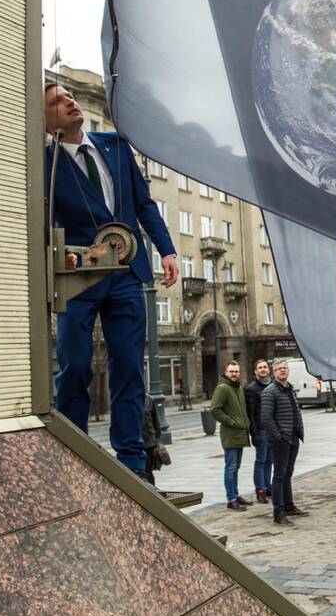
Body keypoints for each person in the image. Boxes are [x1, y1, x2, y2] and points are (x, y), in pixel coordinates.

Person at [44, 82, 178, 478]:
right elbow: (39, 216)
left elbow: (143, 205)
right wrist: (59, 253)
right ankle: (77, 456)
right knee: (75, 366)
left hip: (125, 275)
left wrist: (167, 250)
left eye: (68, 95)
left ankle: (133, 462)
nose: (68, 101)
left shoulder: (115, 147)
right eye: (56, 101)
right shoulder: (44, 164)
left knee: (129, 368)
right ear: (45, 118)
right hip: (77, 280)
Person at [261, 359, 308, 526]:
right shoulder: (270, 391)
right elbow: (266, 418)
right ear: (273, 372)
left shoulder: (289, 389)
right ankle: (278, 512)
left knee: (287, 473)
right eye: (279, 369)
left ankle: (289, 506)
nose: (282, 371)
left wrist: (297, 433)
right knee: (279, 475)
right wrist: (278, 437)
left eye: (284, 368)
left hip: (293, 438)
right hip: (281, 440)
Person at [209, 360, 254, 511]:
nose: (234, 374)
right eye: (231, 371)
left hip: (240, 433)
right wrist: (232, 422)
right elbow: (215, 410)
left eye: (236, 371)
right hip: (231, 433)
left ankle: (235, 494)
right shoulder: (223, 388)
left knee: (236, 467)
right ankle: (231, 499)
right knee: (231, 467)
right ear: (226, 373)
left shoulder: (238, 388)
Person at [244, 359, 274, 504]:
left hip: (272, 429)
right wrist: (254, 433)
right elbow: (251, 413)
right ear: (255, 371)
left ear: (268, 370)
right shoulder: (251, 389)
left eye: (265, 367)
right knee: (261, 460)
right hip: (261, 430)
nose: (263, 369)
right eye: (260, 368)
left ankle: (268, 487)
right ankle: (260, 490)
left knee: (270, 459)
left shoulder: (273, 385)